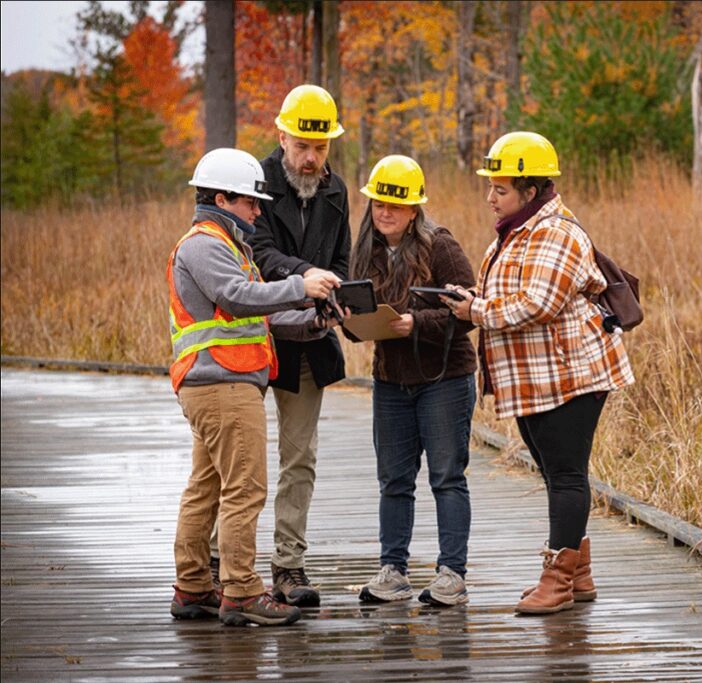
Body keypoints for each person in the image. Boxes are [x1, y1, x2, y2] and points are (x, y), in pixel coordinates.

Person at [447, 131, 634, 614]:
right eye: (491, 187)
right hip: (538, 377)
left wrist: (475, 312)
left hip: (572, 376)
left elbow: (539, 303)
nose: (490, 197)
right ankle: (580, 575)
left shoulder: (556, 232)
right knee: (556, 474)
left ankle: (557, 578)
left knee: (567, 476)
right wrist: (473, 302)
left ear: (531, 190)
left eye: (501, 189)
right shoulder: (520, 230)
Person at [168, 148, 341, 626]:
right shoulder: (205, 244)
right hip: (223, 384)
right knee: (245, 488)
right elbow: (239, 298)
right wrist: (300, 285)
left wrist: (314, 320)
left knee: (206, 488)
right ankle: (242, 590)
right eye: (250, 203)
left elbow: (257, 313)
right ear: (222, 199)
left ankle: (194, 587)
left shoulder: (227, 245)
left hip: (219, 382)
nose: (258, 212)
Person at [209, 84, 351, 607]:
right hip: (251, 341)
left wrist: (335, 291)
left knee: (300, 459)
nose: (311, 159)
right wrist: (306, 278)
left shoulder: (336, 192)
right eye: (302, 147)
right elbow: (259, 253)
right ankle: (219, 564)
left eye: (321, 148)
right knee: (233, 462)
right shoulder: (254, 182)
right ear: (282, 135)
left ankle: (288, 566)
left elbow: (341, 263)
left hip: (308, 344)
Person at [348, 155, 477, 606]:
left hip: (444, 377)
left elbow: (468, 311)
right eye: (379, 203)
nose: (385, 212)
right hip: (391, 380)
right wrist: (352, 321)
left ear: (414, 209)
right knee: (394, 480)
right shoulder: (364, 249)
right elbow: (358, 313)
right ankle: (393, 570)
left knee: (446, 476)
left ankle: (452, 574)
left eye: (395, 206)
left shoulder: (440, 246)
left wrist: (415, 323)